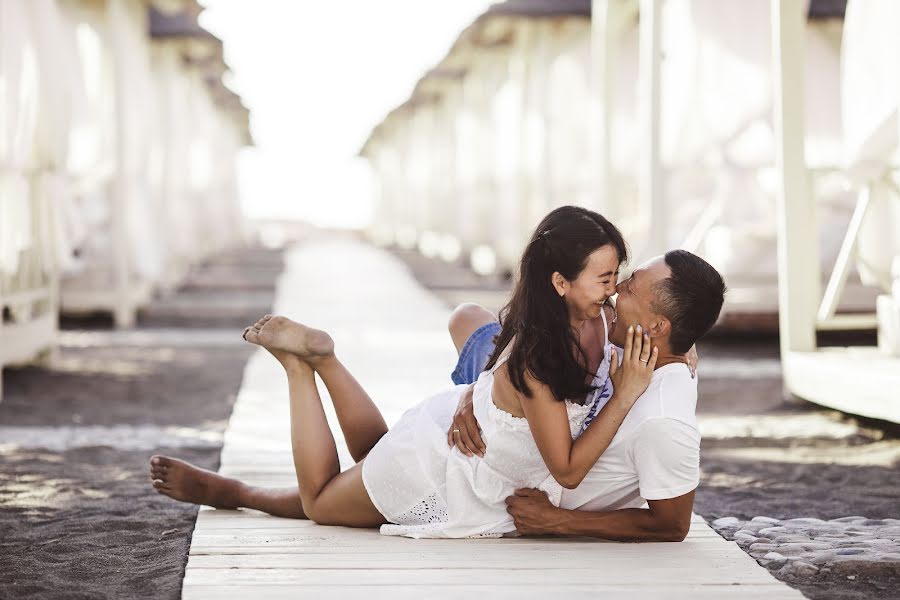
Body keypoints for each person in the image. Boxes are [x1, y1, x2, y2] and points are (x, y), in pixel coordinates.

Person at [151, 206, 657, 537]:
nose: (615, 291)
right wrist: (626, 393)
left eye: (618, 277)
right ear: (560, 283)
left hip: (442, 447)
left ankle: (325, 361)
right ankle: (297, 372)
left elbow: (662, 325)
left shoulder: (588, 319)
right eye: (605, 279)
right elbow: (567, 468)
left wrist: (682, 352)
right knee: (323, 503)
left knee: (371, 460)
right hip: (443, 473)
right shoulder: (542, 361)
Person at [447, 248, 725, 541]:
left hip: (505, 463)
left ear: (657, 326)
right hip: (514, 421)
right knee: (468, 317)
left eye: (629, 288)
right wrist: (478, 389)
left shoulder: (664, 420)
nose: (616, 289)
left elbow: (672, 525)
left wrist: (561, 521)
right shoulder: (640, 346)